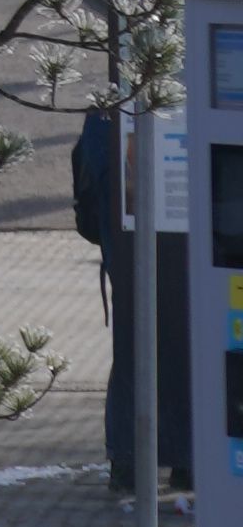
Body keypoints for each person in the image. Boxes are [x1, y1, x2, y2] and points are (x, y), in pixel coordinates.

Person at [72, 97, 193, 496]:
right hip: (183, 245)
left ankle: (127, 458)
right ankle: (187, 458)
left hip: (125, 244)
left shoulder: (105, 116)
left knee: (133, 346)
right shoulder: (191, 105)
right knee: (188, 343)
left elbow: (87, 200)